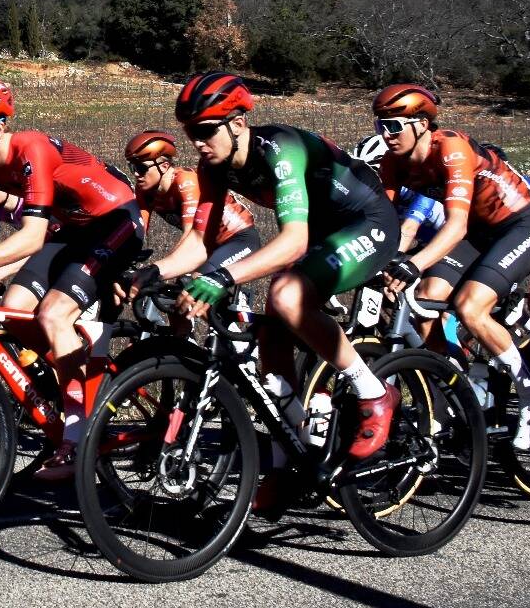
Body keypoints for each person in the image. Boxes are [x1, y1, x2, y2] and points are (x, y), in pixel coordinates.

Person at [165, 72, 401, 469]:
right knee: (272, 338)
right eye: (191, 133)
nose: (198, 143)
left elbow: (292, 242)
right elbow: (198, 243)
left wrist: (224, 276)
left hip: (368, 221)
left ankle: (374, 393)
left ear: (238, 123)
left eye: (206, 130)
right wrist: (154, 273)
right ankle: (293, 452)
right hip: (323, 233)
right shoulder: (214, 167)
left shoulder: (280, 148)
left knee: (285, 295)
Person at [0, 78, 142, 478]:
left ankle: (76, 437)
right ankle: (78, 374)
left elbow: (32, 235)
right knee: (13, 309)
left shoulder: (30, 146)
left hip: (116, 220)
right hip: (72, 229)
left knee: (54, 315)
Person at [369, 84, 530, 444]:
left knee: (470, 306)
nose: (386, 135)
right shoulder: (392, 163)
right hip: (477, 233)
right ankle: (459, 386)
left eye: (394, 126)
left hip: (517, 224)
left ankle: (529, 390)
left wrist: (413, 263)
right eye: (380, 126)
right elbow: (383, 222)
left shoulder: (451, 148)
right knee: (425, 299)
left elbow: (455, 225)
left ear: (421, 123)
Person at [121, 130, 262, 295]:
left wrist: (161, 268)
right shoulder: (144, 190)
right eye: (132, 167)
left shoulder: (185, 181)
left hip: (237, 240)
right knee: (172, 299)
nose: (136, 174)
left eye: (141, 168)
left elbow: (191, 235)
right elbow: (138, 229)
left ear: (164, 166)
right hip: (205, 246)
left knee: (192, 286)